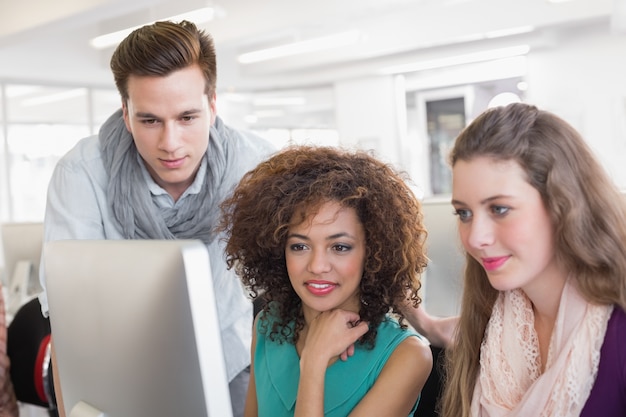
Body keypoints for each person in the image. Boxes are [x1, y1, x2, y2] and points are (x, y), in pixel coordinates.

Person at [36, 20, 275, 417]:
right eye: (149, 120)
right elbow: (68, 321)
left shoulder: (256, 166)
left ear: (213, 105)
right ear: (126, 114)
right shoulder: (82, 174)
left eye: (187, 117)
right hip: (123, 372)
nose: (170, 143)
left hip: (234, 366)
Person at [435, 102, 626, 416]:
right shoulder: (490, 317)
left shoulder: (617, 330)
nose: (475, 237)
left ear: (562, 204)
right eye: (464, 213)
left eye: (499, 209)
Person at [217, 145, 433, 417]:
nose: (317, 266)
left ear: (373, 251)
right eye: (299, 246)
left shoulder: (406, 356)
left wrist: (314, 361)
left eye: (340, 247)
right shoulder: (267, 326)